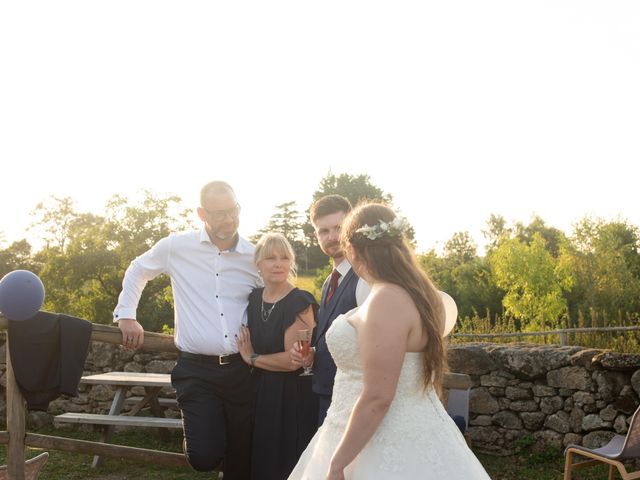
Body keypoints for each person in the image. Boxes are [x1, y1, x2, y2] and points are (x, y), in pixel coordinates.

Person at [288, 203, 490, 480]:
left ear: (354, 250)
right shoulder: (419, 293)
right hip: (410, 427)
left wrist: (338, 463)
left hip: (380, 438)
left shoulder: (386, 300)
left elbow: (378, 398)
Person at [113, 181, 259, 480]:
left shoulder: (255, 256)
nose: (227, 220)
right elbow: (137, 269)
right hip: (196, 371)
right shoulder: (176, 246)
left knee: (244, 455)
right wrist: (127, 315)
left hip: (244, 370)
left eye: (232, 211)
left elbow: (277, 296)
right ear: (201, 213)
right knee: (204, 455)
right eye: (219, 214)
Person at [236, 232, 319, 480]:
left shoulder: (300, 302)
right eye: (271, 258)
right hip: (257, 391)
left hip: (290, 396)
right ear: (258, 264)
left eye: (284, 257)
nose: (278, 264)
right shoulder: (252, 298)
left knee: (284, 463)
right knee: (259, 459)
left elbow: (291, 362)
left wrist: (252, 358)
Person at [292, 195, 369, 427]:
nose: (332, 237)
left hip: (354, 402)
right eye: (323, 231)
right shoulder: (328, 283)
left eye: (338, 228)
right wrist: (313, 353)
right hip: (328, 397)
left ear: (352, 228)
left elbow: (375, 344)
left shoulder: (365, 279)